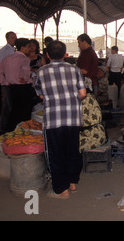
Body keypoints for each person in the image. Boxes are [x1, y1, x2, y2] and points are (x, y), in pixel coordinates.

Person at [34, 41, 86, 199]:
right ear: (65, 54)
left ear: (47, 55)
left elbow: (40, 94)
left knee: (55, 154)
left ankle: (61, 189)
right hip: (73, 118)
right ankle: (72, 182)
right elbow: (82, 93)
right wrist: (70, 99)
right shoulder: (74, 69)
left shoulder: (41, 72)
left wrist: (52, 98)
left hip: (53, 120)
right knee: (72, 150)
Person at [0, 38, 33, 132]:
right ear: (22, 47)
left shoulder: (7, 58)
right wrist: (28, 79)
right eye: (28, 47)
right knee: (24, 113)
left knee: (14, 111)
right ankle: (22, 132)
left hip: (12, 87)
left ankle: (10, 131)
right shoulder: (24, 59)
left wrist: (6, 82)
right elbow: (25, 76)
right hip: (23, 88)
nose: (30, 49)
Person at [0, 31, 17, 133]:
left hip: (13, 80)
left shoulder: (13, 50)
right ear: (8, 39)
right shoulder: (5, 51)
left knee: (10, 103)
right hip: (7, 80)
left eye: (15, 37)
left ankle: (7, 125)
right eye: (13, 38)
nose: (15, 39)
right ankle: (4, 127)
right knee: (7, 104)